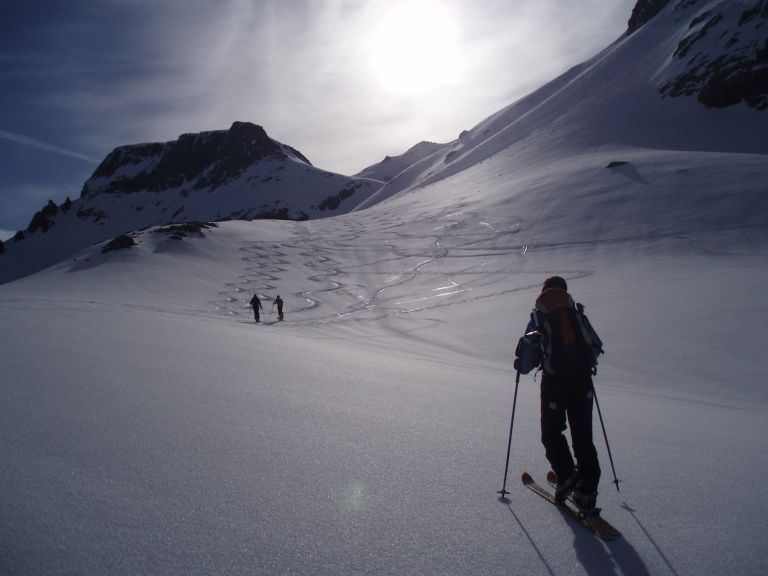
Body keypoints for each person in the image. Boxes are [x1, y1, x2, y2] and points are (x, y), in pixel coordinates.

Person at [514, 276, 603, 510]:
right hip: (583, 383)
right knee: (583, 437)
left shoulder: (540, 315)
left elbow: (526, 363)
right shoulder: (577, 314)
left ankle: (567, 476)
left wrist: (521, 363)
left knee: (551, 432)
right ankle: (587, 490)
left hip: (555, 383)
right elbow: (596, 345)